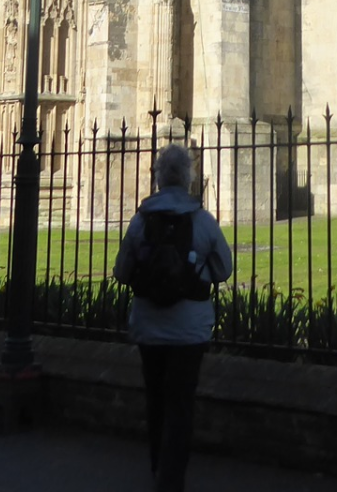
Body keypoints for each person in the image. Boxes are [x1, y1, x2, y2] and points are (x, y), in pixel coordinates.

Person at [112, 143, 232, 492]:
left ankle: (157, 468)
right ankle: (171, 479)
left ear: (159, 179)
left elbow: (121, 272)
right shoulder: (203, 221)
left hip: (149, 328)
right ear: (189, 178)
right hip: (190, 332)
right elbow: (224, 269)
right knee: (180, 405)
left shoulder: (140, 221)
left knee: (156, 400)